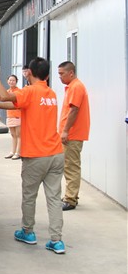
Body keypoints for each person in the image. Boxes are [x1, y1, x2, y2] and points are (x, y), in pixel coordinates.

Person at [0, 56, 66, 255]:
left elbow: (5, 96)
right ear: (47, 75)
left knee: (29, 196)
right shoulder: (50, 94)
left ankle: (28, 232)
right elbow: (16, 105)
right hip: (56, 154)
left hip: (36, 155)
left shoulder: (29, 91)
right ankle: (57, 241)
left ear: (29, 73)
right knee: (54, 198)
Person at [57, 61, 90, 211]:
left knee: (71, 166)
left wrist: (65, 131)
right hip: (72, 133)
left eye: (61, 73)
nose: (59, 76)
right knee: (69, 165)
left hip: (72, 134)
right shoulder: (73, 86)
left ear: (71, 73)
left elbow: (74, 110)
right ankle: (71, 196)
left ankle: (70, 199)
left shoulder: (76, 87)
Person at [5, 75, 22, 159]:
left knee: (19, 135)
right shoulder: (7, 92)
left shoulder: (19, 91)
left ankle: (18, 152)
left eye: (13, 80)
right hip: (9, 115)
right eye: (10, 80)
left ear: (16, 81)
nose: (11, 82)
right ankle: (12, 151)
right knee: (13, 135)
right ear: (7, 81)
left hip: (18, 115)